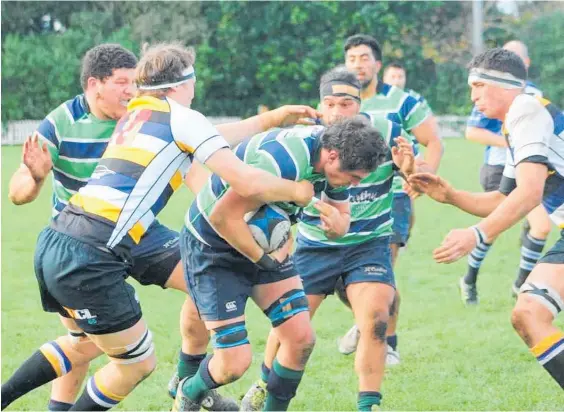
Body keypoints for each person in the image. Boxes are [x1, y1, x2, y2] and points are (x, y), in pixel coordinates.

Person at [1, 42, 318, 411]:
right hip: (92, 252)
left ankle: (187, 380)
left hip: (62, 239)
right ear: (184, 83)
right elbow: (245, 181)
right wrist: (299, 191)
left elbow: (208, 140)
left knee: (89, 343)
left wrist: (270, 119)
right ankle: (189, 382)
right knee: (136, 362)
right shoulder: (179, 117)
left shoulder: (138, 113)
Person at [172, 114, 394, 411]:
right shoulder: (283, 161)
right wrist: (263, 259)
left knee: (301, 339)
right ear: (332, 155)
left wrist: (337, 224)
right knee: (233, 363)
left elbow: (342, 216)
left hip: (265, 249)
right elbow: (222, 217)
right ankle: (189, 390)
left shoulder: (334, 158)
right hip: (213, 250)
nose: (354, 184)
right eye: (353, 177)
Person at [240, 67, 417, 411]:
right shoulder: (306, 138)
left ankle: (369, 405)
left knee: (377, 318)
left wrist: (409, 168)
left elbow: (414, 174)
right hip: (314, 246)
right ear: (320, 105)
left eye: (346, 103)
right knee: (290, 326)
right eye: (330, 103)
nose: (337, 112)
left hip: (368, 246)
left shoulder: (387, 129)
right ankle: (264, 384)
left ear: (360, 102)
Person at [409, 47, 564, 390]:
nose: (472, 96)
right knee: (528, 314)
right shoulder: (517, 121)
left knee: (530, 313)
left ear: (505, 83)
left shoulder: (525, 109)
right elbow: (502, 198)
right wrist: (450, 196)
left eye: (478, 86)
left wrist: (476, 235)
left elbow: (530, 193)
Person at [336, 33, 443, 363]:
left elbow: (434, 142)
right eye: (352, 58)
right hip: (348, 198)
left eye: (364, 58)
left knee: (381, 272)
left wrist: (420, 179)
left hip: (393, 196)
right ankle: (362, 318)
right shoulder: (339, 100)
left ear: (377, 65)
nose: (358, 65)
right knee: (341, 277)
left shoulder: (402, 101)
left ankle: (389, 346)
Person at [461, 40, 549, 305]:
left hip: (530, 167)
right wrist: (513, 143)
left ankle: (520, 284)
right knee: (495, 227)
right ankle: (469, 278)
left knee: (541, 226)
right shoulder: (493, 92)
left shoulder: (530, 96)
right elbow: (472, 131)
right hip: (499, 167)